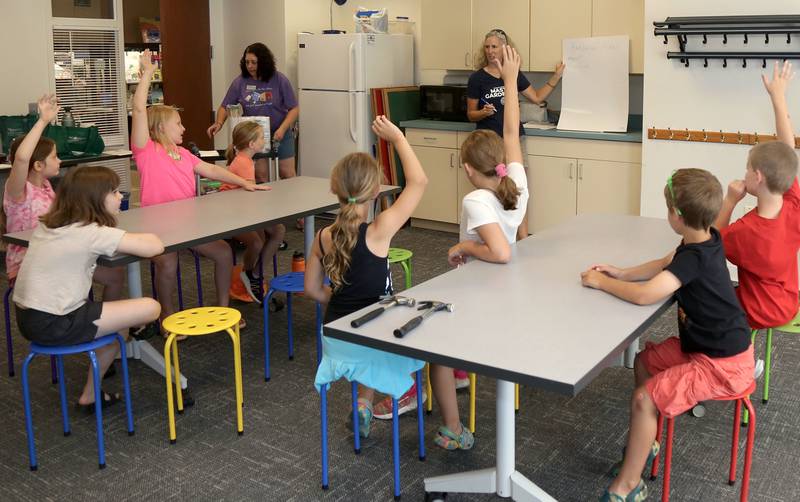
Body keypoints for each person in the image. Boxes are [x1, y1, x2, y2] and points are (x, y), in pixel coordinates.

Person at [581, 168, 754, 501]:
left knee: (644, 398)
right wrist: (621, 272)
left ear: (676, 216)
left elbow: (648, 294)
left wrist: (601, 282)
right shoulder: (704, 238)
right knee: (645, 362)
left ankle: (628, 486)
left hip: (725, 365)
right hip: (708, 349)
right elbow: (665, 263)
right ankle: (649, 441)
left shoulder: (695, 258)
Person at [425, 45, 529, 451]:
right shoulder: (516, 182)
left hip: (482, 294)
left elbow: (499, 251)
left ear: (467, 169)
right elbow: (511, 132)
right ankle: (464, 369)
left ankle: (454, 427)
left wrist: (466, 246)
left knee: (435, 349)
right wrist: (510, 82)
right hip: (511, 293)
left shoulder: (476, 200)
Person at [304, 115, 428, 439]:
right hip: (374, 339)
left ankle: (363, 403)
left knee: (367, 335)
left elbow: (311, 290)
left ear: (335, 189)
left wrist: (336, 298)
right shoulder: (378, 230)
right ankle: (407, 392)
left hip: (335, 342)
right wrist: (399, 139)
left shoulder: (321, 237)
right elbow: (419, 183)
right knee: (410, 331)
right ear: (375, 191)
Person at [132, 50, 268, 332]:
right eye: (178, 124)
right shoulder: (146, 151)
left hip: (188, 227)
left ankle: (223, 311)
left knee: (222, 253)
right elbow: (138, 110)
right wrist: (146, 72)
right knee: (168, 265)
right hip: (159, 228)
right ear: (159, 128)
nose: (183, 127)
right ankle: (166, 317)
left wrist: (244, 182)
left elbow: (214, 171)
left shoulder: (183, 154)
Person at [13, 165, 163, 411]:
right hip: (56, 321)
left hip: (28, 318)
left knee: (121, 325)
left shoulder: (49, 225)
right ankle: (138, 328)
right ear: (95, 199)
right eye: (114, 192)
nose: (120, 196)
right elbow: (153, 246)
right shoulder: (91, 232)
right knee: (150, 307)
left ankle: (91, 395)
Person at [4, 95, 124, 300]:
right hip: (30, 264)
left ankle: (103, 323)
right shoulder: (17, 192)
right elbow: (22, 158)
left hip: (58, 252)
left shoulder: (47, 187)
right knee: (76, 281)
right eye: (54, 156)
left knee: (115, 275)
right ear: (38, 165)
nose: (59, 160)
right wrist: (43, 120)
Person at [714, 61, 800, 331]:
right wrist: (778, 98)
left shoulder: (746, 231)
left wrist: (729, 201)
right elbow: (787, 152)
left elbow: (709, 244)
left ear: (758, 177)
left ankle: (737, 360)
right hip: (789, 302)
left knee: (698, 302)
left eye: (748, 169)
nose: (745, 173)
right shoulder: (793, 205)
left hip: (757, 309)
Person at [467, 28, 564, 241]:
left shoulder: (514, 74)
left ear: (504, 49)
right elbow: (470, 114)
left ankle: (522, 238)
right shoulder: (477, 79)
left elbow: (537, 97)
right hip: (489, 143)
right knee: (493, 188)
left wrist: (556, 77)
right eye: (487, 47)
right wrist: (481, 112)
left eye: (494, 46)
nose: (490, 51)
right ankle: (496, 235)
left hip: (514, 139)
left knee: (518, 188)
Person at [207, 42, 299, 184]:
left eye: (254, 63)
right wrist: (219, 123)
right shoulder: (240, 82)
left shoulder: (279, 80)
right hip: (254, 135)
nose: (249, 66)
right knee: (261, 175)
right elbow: (225, 106)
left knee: (287, 173)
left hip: (281, 132)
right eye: (247, 62)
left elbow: (294, 108)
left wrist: (282, 129)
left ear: (263, 62)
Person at [220, 120, 286, 309]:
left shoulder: (246, 160)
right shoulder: (243, 163)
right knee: (260, 240)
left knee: (276, 231)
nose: (264, 140)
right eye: (261, 138)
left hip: (241, 211)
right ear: (251, 144)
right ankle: (251, 273)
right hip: (232, 215)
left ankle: (254, 274)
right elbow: (247, 196)